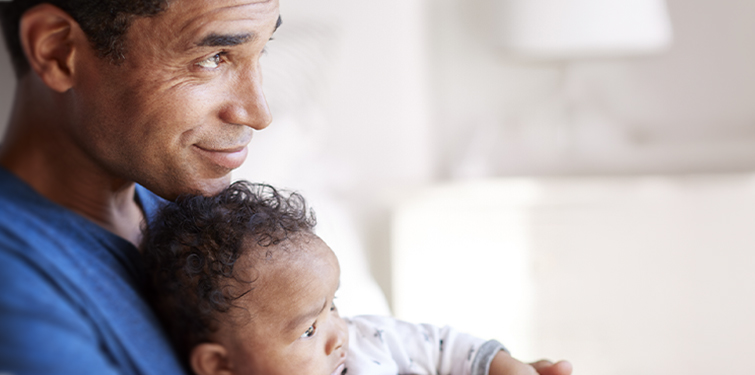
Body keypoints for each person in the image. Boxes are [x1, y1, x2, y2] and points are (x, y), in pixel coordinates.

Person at [0, 1, 571, 374]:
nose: (258, 111)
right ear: (57, 49)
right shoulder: (19, 292)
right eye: (213, 56)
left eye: (260, 50)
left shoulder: (203, 221)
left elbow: (367, 340)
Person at [142, 181, 562, 375]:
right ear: (220, 366)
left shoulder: (369, 341)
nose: (338, 333)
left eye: (334, 307)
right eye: (308, 330)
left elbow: (449, 349)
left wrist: (505, 367)